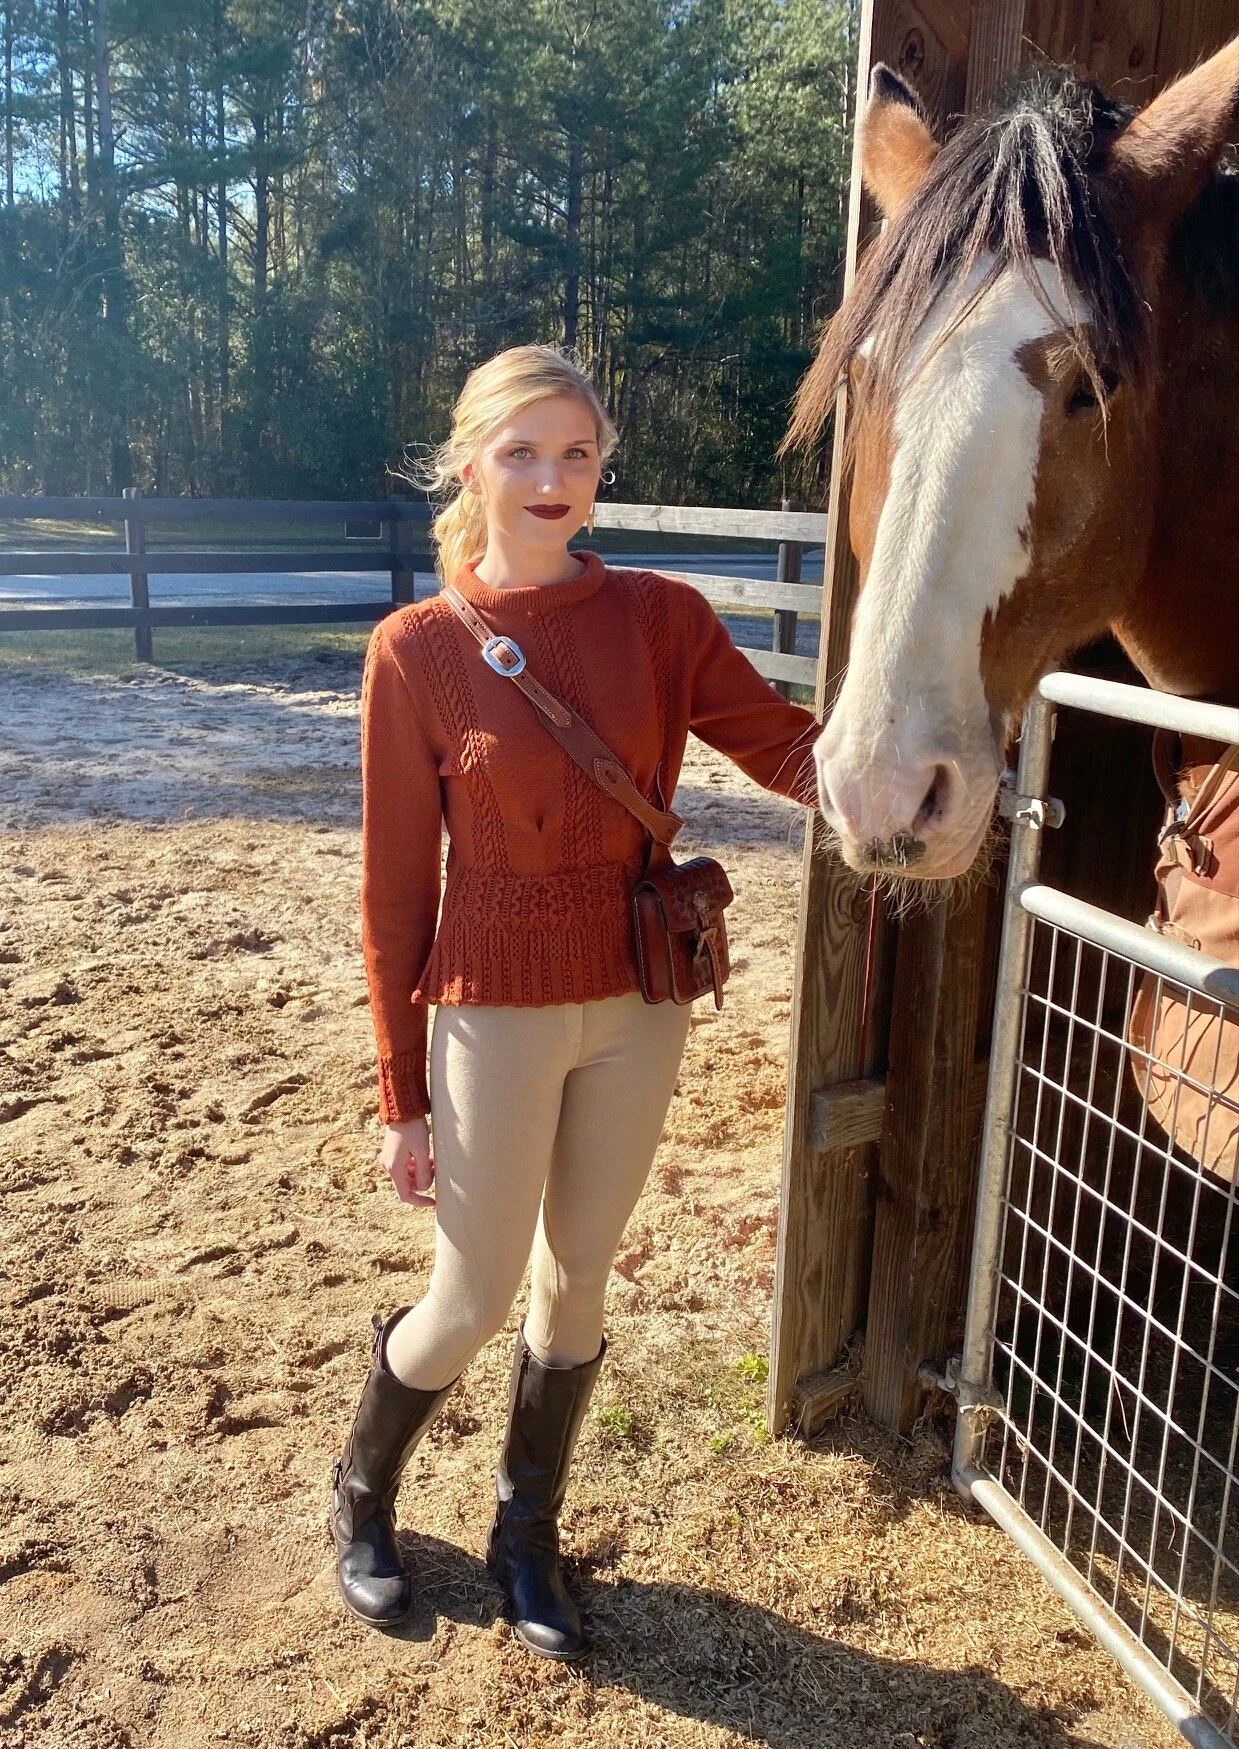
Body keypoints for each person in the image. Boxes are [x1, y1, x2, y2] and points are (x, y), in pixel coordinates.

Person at [329, 343, 820, 1660]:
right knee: (471, 1295)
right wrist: (400, 1098)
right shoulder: (416, 650)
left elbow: (786, 750)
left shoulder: (662, 619)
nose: (552, 478)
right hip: (490, 1007)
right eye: (523, 452)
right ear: (469, 467)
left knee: (579, 1276)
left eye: (578, 454)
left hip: (640, 1000)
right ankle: (363, 1495)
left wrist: (922, 757)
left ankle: (524, 1536)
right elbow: (394, 897)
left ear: (601, 469)